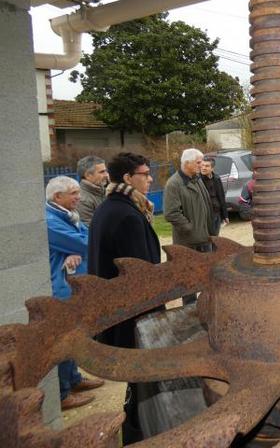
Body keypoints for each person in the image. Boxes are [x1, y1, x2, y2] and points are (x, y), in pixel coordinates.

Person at [88, 152, 160, 444]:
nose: (150, 178)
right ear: (128, 179)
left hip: (115, 312)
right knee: (141, 380)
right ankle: (137, 432)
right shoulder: (127, 215)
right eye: (145, 173)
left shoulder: (110, 208)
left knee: (138, 380)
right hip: (131, 317)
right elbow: (140, 278)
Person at [45, 176, 104, 410]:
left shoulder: (68, 216)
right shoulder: (51, 221)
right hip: (61, 290)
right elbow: (87, 244)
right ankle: (62, 394)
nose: (78, 197)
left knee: (73, 336)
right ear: (57, 197)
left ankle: (74, 379)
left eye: (78, 192)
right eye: (73, 193)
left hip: (72, 286)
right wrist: (77, 247)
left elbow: (87, 238)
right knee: (63, 340)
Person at [163, 148, 214, 304]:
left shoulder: (197, 179)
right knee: (189, 282)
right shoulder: (174, 184)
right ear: (187, 163)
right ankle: (190, 312)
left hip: (205, 239)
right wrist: (191, 229)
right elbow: (171, 213)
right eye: (198, 162)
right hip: (188, 243)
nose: (202, 165)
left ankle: (206, 306)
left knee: (207, 277)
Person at [200, 157, 229, 235]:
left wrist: (225, 215)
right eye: (202, 165)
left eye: (206, 166)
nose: (203, 168)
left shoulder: (216, 178)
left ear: (212, 168)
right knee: (207, 240)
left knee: (216, 238)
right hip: (206, 216)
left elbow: (221, 197)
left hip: (217, 214)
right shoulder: (198, 180)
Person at [76, 155, 108, 225]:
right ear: (88, 175)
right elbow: (89, 229)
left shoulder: (102, 190)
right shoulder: (83, 200)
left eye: (106, 171)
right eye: (102, 172)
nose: (106, 175)